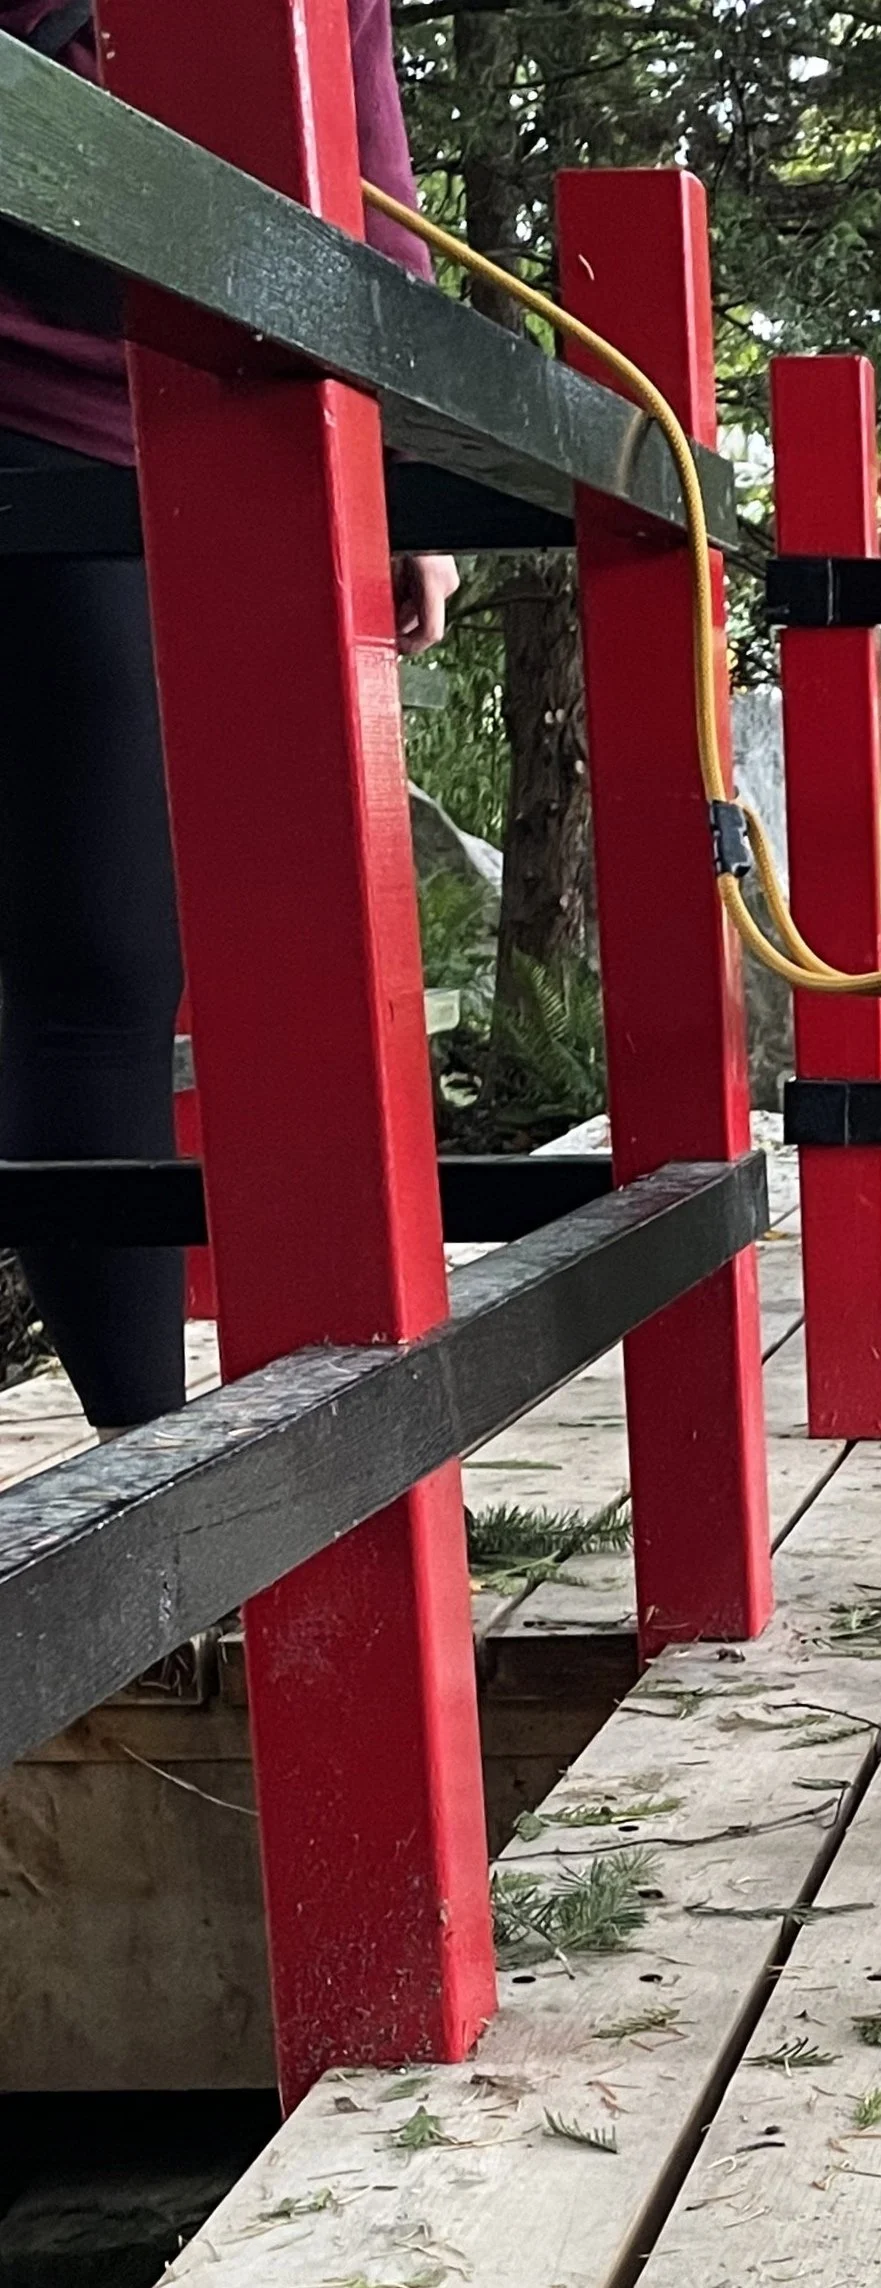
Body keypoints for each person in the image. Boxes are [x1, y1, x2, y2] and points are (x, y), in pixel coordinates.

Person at [0, 0, 456, 1434]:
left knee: (132, 961)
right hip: (53, 410)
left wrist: (400, 462)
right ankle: (156, 1467)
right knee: (100, 972)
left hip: (214, 428)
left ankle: (159, 1477)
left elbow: (366, 180)